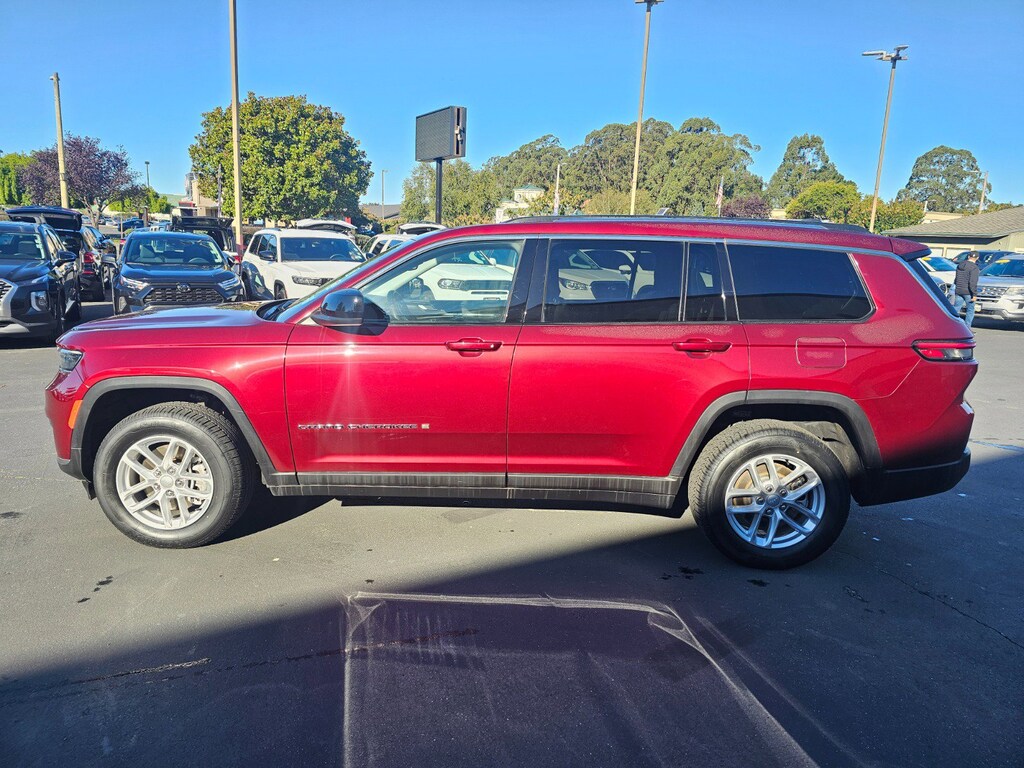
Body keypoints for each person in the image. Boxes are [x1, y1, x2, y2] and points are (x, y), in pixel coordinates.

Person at [952, 251, 981, 327]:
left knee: (956, 308)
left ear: (968, 256)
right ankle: (967, 328)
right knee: (970, 310)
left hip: (958, 289)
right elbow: (972, 282)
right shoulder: (974, 267)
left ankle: (952, 325)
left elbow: (956, 279)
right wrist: (974, 294)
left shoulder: (960, 265)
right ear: (977, 258)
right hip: (968, 292)